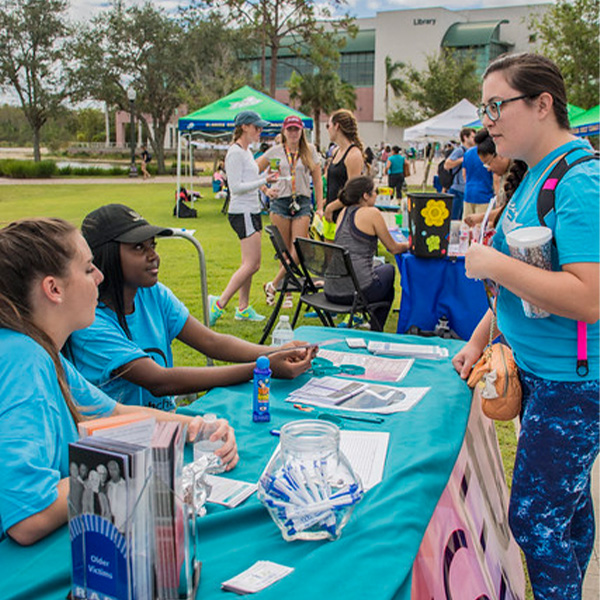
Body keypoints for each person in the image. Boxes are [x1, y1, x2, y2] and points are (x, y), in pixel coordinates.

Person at [452, 53, 599, 598]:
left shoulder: (580, 183)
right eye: (483, 107)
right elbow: (529, 285)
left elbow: (591, 298)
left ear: (542, 105)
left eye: (496, 105)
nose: (487, 119)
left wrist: (493, 264)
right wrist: (478, 338)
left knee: (536, 522)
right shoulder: (537, 174)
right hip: (541, 373)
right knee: (567, 510)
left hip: (572, 384)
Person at [0, 218, 238, 545]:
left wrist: (197, 426)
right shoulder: (21, 360)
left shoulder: (38, 350)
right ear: (53, 289)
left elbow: (111, 415)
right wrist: (133, 462)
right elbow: (29, 516)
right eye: (87, 270)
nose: (99, 276)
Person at [66, 204, 314, 412]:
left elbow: (212, 342)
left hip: (164, 427)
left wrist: (273, 352)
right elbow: (159, 381)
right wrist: (262, 368)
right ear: (105, 256)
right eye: (139, 248)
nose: (153, 255)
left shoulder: (152, 294)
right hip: (119, 442)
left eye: (153, 245)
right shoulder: (90, 324)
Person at [209, 111, 279, 324]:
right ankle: (219, 303)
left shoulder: (247, 152)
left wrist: (266, 188)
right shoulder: (235, 153)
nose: (260, 131)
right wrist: (262, 181)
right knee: (252, 264)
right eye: (257, 127)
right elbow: (236, 187)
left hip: (252, 210)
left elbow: (252, 178)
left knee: (249, 262)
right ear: (245, 127)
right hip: (242, 212)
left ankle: (243, 308)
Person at [324, 176, 408, 331]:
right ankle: (376, 328)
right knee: (389, 271)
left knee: (379, 268)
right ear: (365, 195)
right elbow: (393, 248)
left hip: (331, 289)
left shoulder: (343, 212)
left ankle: (374, 324)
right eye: (374, 192)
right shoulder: (371, 213)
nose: (376, 195)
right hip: (356, 291)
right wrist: (411, 244)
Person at [257, 115, 324, 308]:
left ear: (302, 131)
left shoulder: (310, 150)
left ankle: (274, 284)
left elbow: (318, 180)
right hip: (280, 203)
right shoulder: (275, 151)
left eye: (296, 129)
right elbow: (254, 172)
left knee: (298, 248)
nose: (293, 133)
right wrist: (265, 189)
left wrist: (319, 207)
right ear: (284, 131)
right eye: (290, 129)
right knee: (284, 251)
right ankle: (287, 293)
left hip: (302, 202)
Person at [463, 128, 527, 229]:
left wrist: (481, 217)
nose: (489, 169)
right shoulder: (504, 174)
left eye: (489, 163)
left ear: (500, 154)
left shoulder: (522, 175)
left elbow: (510, 208)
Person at [323, 109, 365, 226]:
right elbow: (334, 184)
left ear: (337, 126)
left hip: (345, 217)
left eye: (328, 125)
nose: (327, 130)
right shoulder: (337, 151)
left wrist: (330, 207)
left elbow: (353, 192)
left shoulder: (353, 155)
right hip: (332, 215)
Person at [444, 128, 476, 220]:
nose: (475, 139)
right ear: (465, 138)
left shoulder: (473, 151)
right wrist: (463, 159)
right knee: (454, 218)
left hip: (466, 189)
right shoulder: (460, 151)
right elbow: (447, 164)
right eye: (473, 137)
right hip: (457, 189)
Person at [461, 141, 494, 219]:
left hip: (469, 193)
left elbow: (463, 173)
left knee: (466, 224)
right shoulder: (488, 154)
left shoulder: (468, 153)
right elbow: (495, 178)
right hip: (484, 194)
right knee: (480, 224)